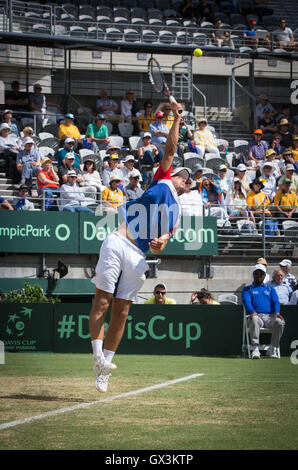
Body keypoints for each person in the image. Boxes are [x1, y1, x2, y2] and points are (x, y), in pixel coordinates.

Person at [89, 101, 189, 393]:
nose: (186, 180)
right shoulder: (164, 179)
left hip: (139, 257)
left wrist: (159, 245)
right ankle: (97, 355)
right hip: (118, 241)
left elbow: (162, 246)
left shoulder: (178, 214)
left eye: (189, 180)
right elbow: (170, 148)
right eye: (184, 176)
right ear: (176, 176)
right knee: (102, 302)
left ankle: (104, 367)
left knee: (122, 312)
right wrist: (176, 118)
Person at [242, 264, 285, 359]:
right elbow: (246, 301)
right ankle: (255, 349)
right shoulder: (247, 289)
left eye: (261, 274)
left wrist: (277, 313)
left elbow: (275, 302)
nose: (259, 275)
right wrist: (252, 312)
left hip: (269, 317)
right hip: (256, 316)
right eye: (257, 273)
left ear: (265, 276)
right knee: (254, 319)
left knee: (280, 322)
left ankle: (272, 348)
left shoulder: (270, 289)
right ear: (253, 275)